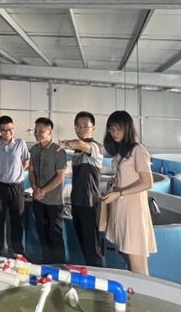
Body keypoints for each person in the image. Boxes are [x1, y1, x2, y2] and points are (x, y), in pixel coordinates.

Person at [102, 110, 157, 275]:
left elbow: (147, 182)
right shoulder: (120, 152)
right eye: (111, 129)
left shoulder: (138, 149)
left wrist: (119, 193)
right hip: (121, 209)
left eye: (119, 129)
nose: (114, 133)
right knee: (127, 256)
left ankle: (143, 290)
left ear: (128, 129)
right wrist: (115, 183)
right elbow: (126, 177)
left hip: (133, 211)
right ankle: (132, 289)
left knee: (138, 268)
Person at [59, 111, 104, 267]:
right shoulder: (77, 153)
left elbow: (81, 144)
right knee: (84, 245)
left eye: (86, 126)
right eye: (78, 126)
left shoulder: (95, 147)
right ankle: (89, 273)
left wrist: (65, 143)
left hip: (89, 203)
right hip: (77, 201)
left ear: (93, 129)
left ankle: (98, 275)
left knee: (92, 247)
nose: (81, 129)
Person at [0, 115, 30, 258]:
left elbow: (26, 160)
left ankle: (18, 252)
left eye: (10, 129)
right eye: (4, 130)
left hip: (17, 187)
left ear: (13, 128)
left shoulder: (20, 143)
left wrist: (18, 173)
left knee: (17, 220)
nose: (7, 133)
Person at [28, 117, 67, 264]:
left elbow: (60, 176)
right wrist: (35, 188)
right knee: (42, 233)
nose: (37, 133)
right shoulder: (34, 150)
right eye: (36, 130)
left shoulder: (58, 151)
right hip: (38, 200)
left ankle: (59, 265)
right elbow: (31, 172)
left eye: (41, 131)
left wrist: (43, 190)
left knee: (55, 235)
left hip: (53, 202)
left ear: (50, 131)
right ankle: (46, 262)